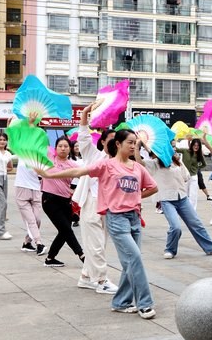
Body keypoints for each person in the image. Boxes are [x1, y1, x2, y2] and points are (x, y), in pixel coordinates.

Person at [36, 129, 159, 320]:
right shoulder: (106, 165)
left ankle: (121, 302)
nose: (134, 146)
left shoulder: (137, 168)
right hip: (116, 219)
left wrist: (136, 197)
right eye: (130, 142)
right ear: (118, 144)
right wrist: (49, 175)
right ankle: (145, 303)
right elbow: (78, 171)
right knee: (134, 258)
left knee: (129, 263)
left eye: (136, 143)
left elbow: (152, 187)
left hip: (134, 218)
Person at [135, 143, 212, 259]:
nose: (172, 151)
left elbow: (186, 176)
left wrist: (178, 164)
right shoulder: (155, 164)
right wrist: (138, 146)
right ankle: (170, 249)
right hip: (166, 200)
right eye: (169, 149)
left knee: (196, 223)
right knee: (175, 227)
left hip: (182, 197)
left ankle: (211, 248)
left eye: (171, 149)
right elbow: (140, 163)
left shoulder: (177, 162)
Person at [73, 104, 119, 294]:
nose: (117, 143)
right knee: (96, 245)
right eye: (112, 140)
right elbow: (83, 136)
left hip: (108, 206)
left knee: (99, 244)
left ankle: (85, 276)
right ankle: (101, 281)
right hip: (92, 204)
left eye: (119, 141)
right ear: (103, 143)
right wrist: (84, 114)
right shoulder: (94, 155)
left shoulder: (121, 163)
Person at [41, 136, 84, 267]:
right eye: (60, 146)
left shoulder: (73, 165)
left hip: (65, 201)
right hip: (49, 200)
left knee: (64, 230)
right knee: (66, 229)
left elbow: (84, 178)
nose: (63, 148)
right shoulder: (49, 158)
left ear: (70, 149)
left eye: (66, 146)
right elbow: (38, 141)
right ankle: (82, 255)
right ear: (55, 148)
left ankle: (50, 258)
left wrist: (75, 193)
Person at [177, 136, 212, 201]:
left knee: (193, 195)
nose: (196, 147)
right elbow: (176, 149)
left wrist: (196, 168)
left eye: (198, 145)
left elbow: (204, 164)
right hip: (185, 176)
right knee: (184, 195)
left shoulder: (199, 155)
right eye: (195, 145)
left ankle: (192, 210)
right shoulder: (185, 151)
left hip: (193, 176)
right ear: (192, 145)